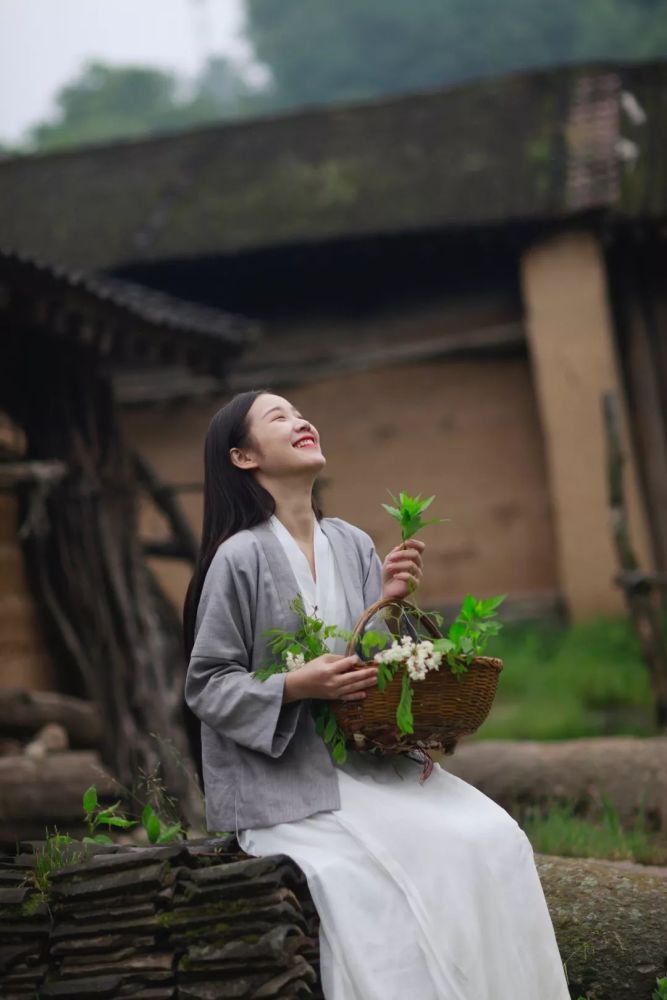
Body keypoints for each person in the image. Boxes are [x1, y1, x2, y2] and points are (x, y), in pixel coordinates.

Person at [183, 389, 571, 1000]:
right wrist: (296, 684)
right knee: (370, 880)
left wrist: (387, 602)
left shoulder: (353, 542)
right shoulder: (238, 558)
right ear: (242, 457)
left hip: (367, 760)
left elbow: (373, 660)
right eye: (278, 417)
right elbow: (206, 683)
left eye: (300, 412)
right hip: (286, 782)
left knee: (493, 837)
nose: (301, 420)